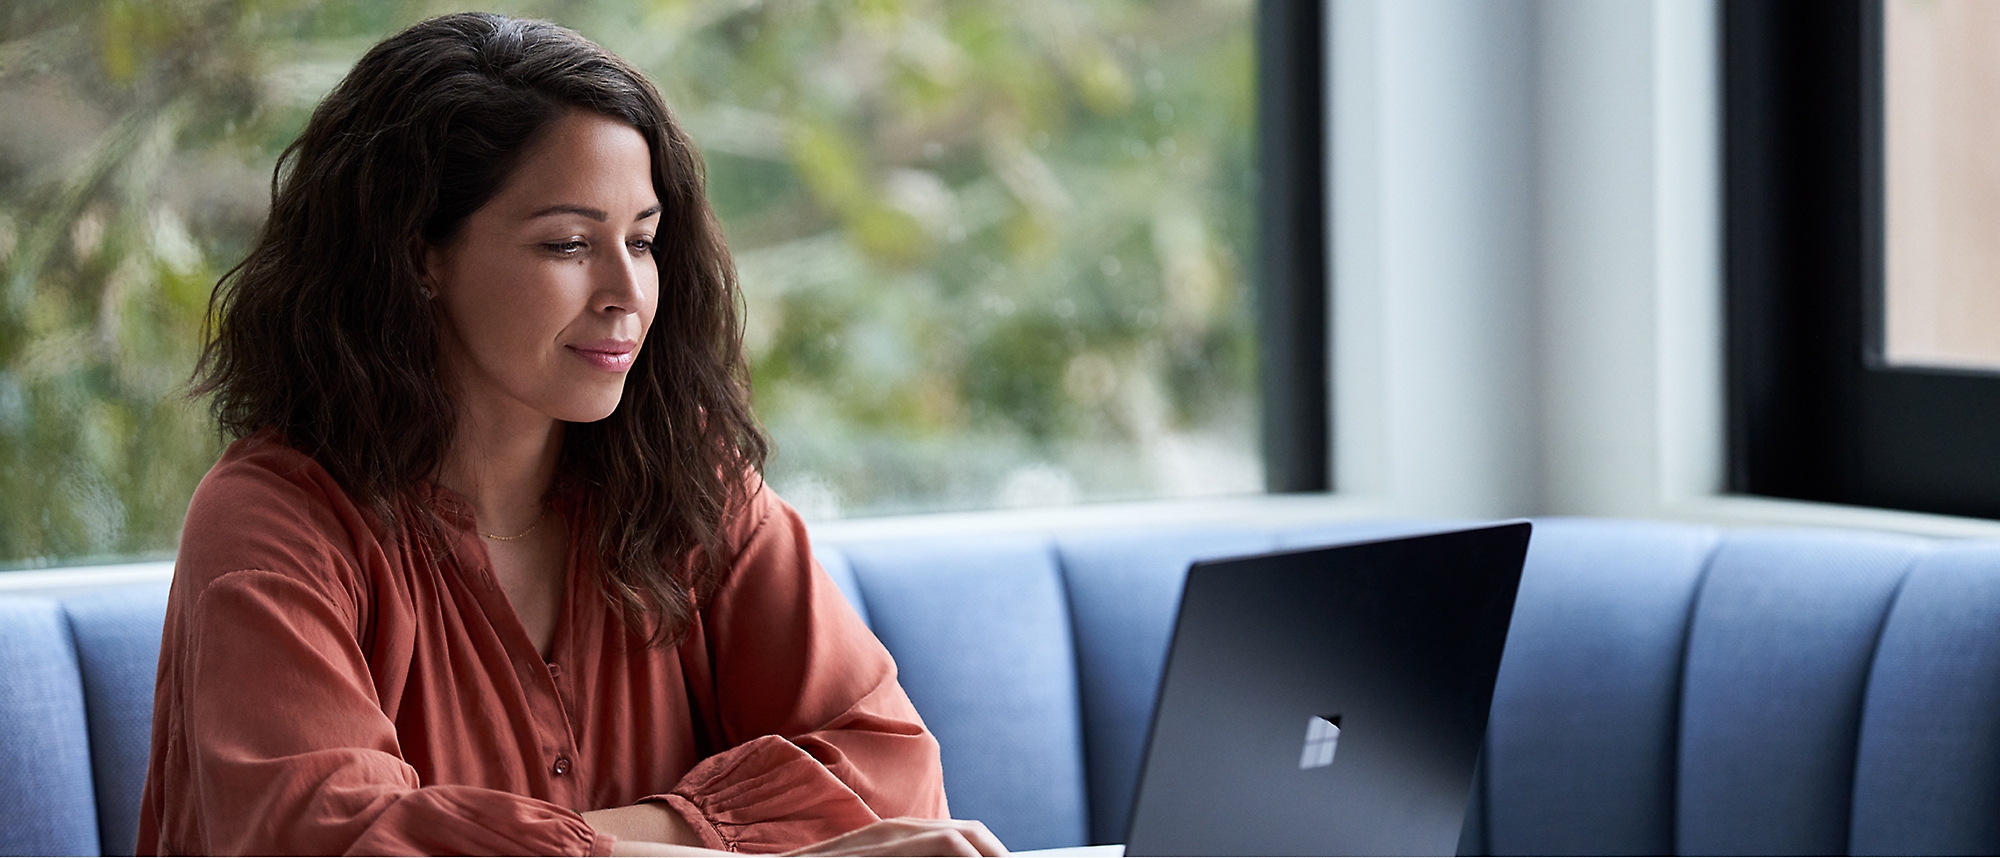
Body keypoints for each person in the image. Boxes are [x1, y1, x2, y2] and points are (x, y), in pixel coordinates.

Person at [137, 12, 1004, 857]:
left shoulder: (685, 477)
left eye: (644, 239)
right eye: (566, 245)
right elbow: (329, 840)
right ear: (416, 256)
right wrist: (738, 844)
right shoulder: (274, 520)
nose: (626, 290)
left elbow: (891, 773)